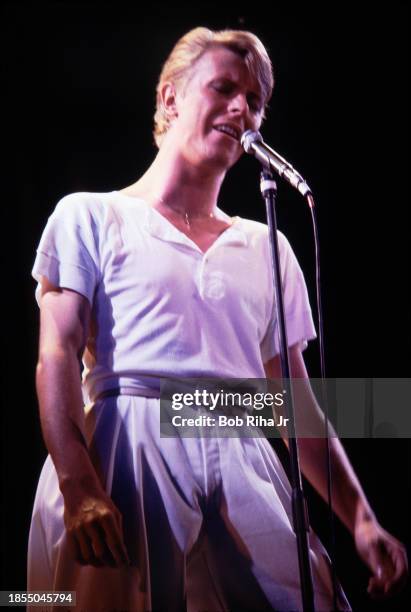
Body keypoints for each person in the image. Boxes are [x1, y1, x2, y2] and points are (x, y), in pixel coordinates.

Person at [28, 27, 407, 612]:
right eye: (225, 88)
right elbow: (56, 353)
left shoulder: (267, 247)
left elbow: (290, 403)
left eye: (255, 101)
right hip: (129, 445)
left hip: (240, 453)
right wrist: (79, 486)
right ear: (171, 97)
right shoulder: (91, 216)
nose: (242, 108)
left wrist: (360, 516)